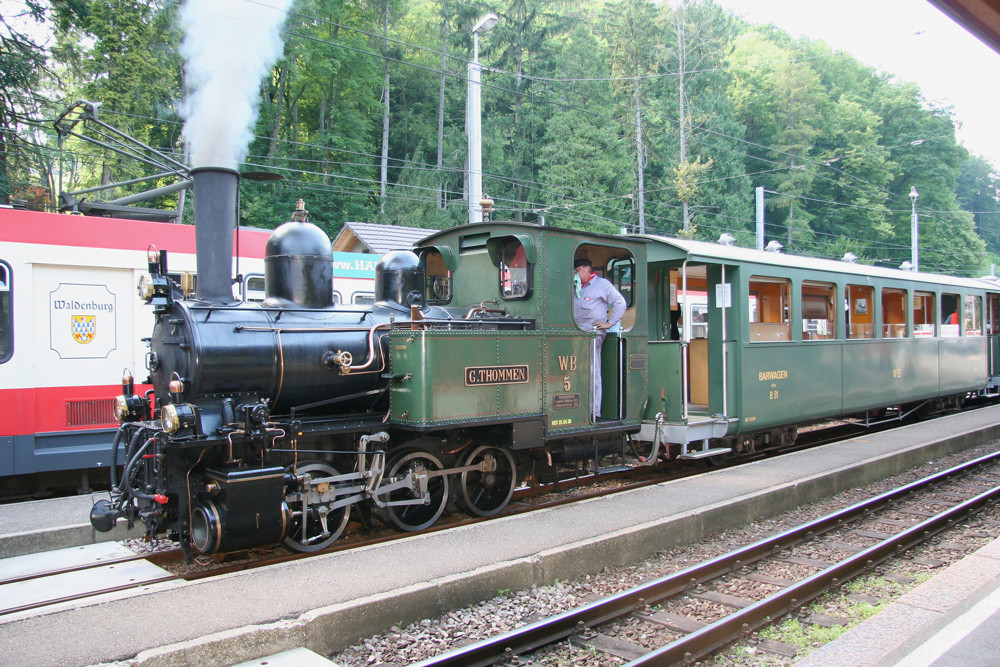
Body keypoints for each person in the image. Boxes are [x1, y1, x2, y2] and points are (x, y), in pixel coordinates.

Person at [573, 258, 627, 419]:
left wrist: (609, 323)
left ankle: (594, 411)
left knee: (592, 371)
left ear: (587, 269)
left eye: (578, 269)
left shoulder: (602, 284)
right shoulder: (575, 286)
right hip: (574, 334)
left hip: (592, 333)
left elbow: (620, 303)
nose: (575, 272)